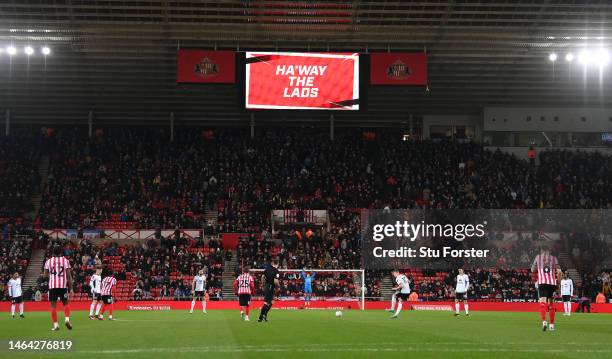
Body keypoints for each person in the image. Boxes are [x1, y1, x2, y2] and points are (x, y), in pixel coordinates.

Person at [44, 245, 73, 331]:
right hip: (62, 286)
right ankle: (67, 319)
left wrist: (52, 276)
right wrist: (71, 288)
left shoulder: (48, 261)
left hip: (52, 286)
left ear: (53, 252)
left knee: (53, 306)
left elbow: (45, 275)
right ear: (61, 252)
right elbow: (68, 275)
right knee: (65, 303)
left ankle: (56, 325)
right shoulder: (65, 260)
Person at [531, 248, 561, 332]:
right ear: (549, 251)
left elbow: (533, 270)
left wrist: (536, 267)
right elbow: (559, 272)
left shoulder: (538, 257)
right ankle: (551, 325)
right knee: (551, 304)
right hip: (552, 284)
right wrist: (558, 283)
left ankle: (544, 322)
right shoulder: (554, 258)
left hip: (542, 283)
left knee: (542, 303)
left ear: (541, 251)